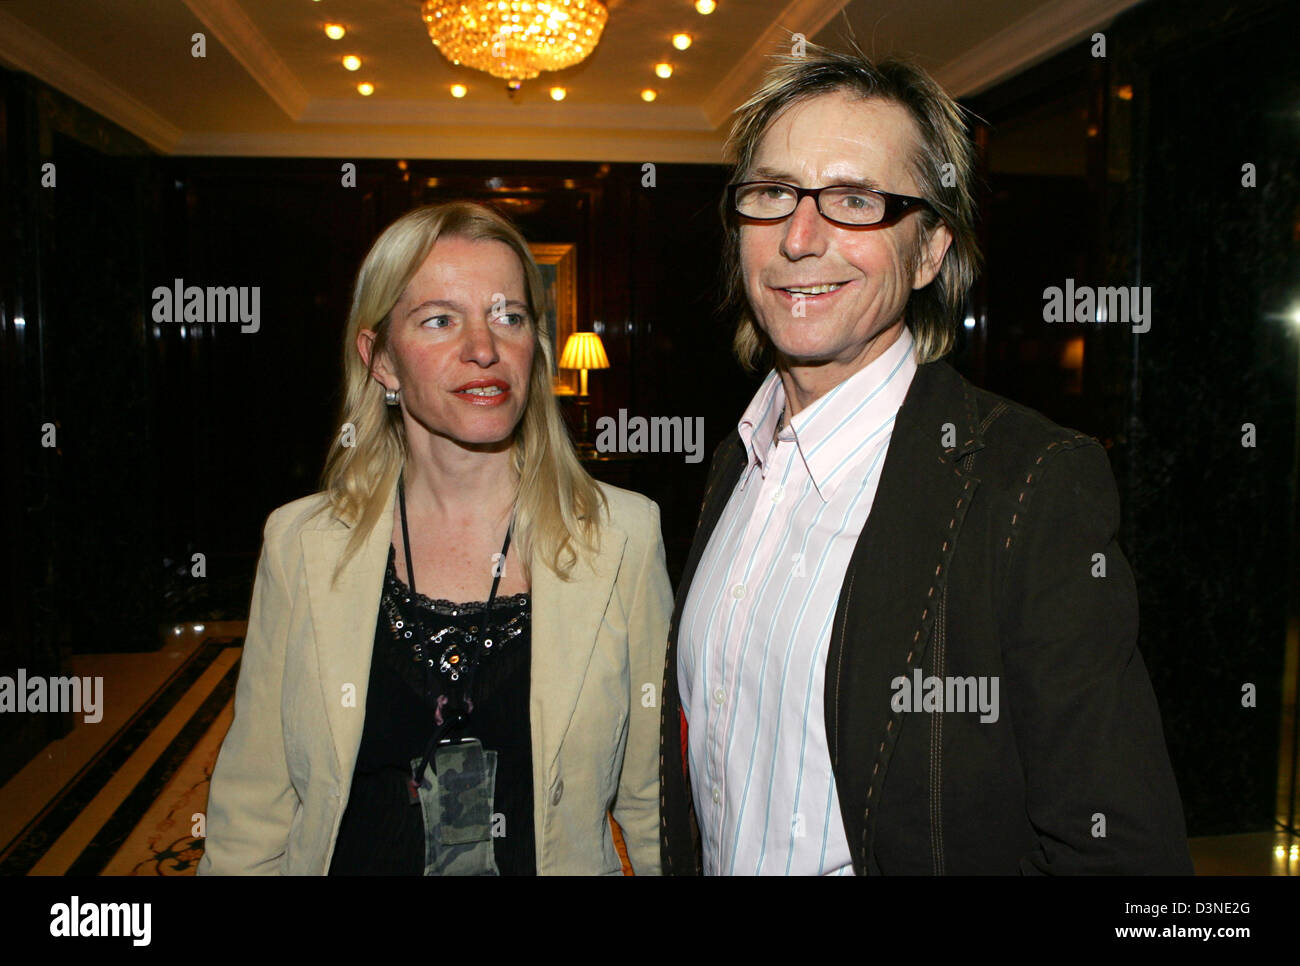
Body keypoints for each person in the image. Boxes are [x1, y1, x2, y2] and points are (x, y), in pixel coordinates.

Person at [659, 43, 1192, 875]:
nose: (800, 238)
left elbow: (1121, 852)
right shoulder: (735, 459)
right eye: (773, 194)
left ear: (931, 249)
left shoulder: (1026, 485)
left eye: (855, 200)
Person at [199, 201, 672, 875]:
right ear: (382, 360)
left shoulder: (622, 537)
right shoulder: (300, 543)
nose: (484, 347)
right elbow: (253, 804)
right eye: (440, 319)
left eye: (508, 315)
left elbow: (653, 803)